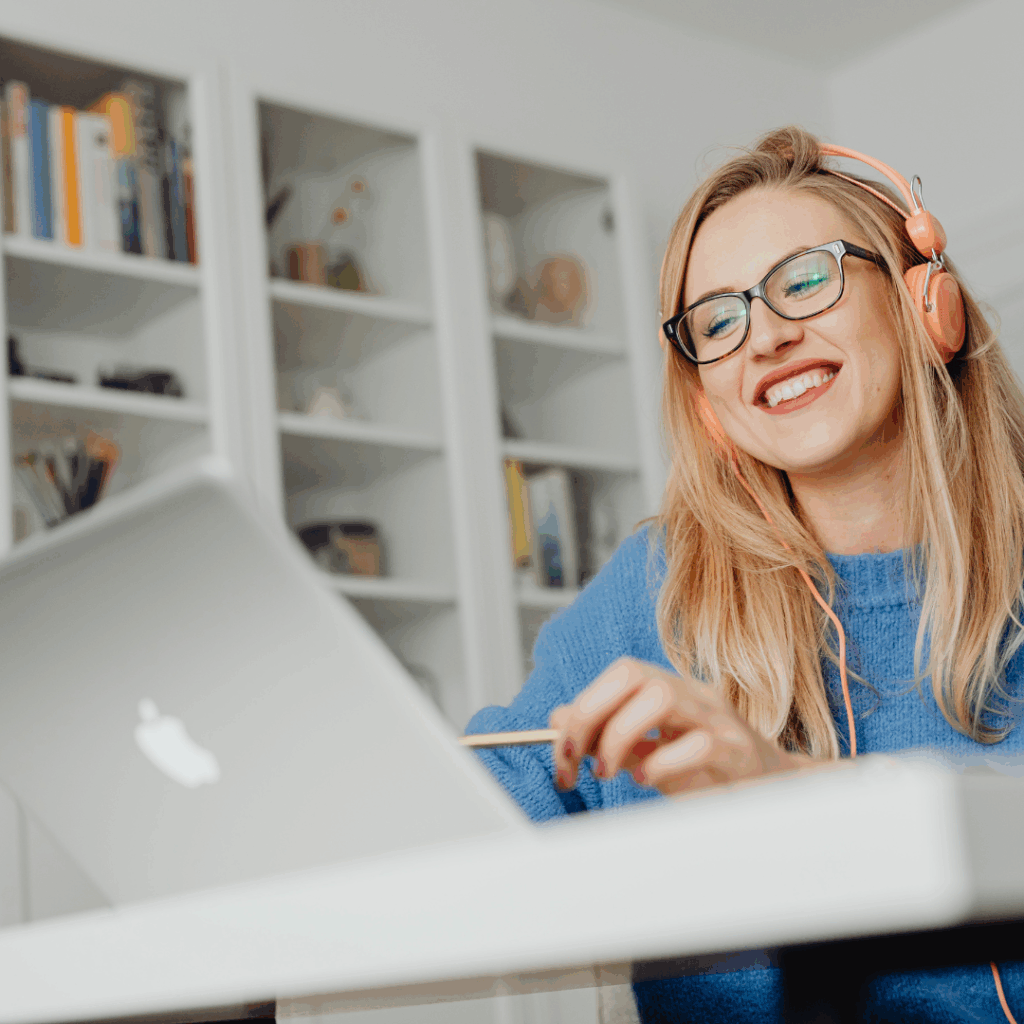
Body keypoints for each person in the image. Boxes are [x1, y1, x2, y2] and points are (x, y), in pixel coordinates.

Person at [464, 126, 1024, 1024]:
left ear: (927, 304)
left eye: (806, 278)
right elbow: (469, 829)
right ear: (709, 402)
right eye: (718, 321)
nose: (764, 335)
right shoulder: (652, 595)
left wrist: (793, 797)